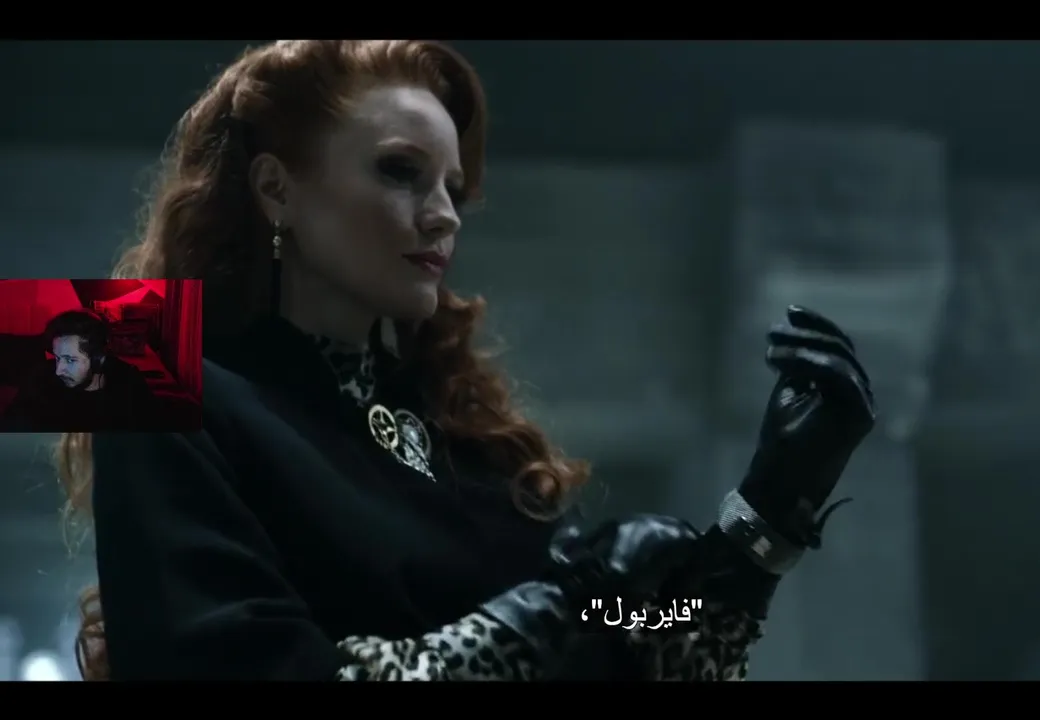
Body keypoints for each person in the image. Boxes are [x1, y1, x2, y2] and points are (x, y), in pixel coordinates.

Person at [54, 40, 877, 681]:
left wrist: (764, 520)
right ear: (276, 189)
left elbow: (637, 642)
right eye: (401, 172)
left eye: (452, 188)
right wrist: (561, 606)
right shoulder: (144, 367)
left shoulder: (462, 436)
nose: (444, 215)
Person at [1, 309, 158, 432]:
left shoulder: (128, 386)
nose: (59, 370)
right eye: (57, 358)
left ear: (98, 359)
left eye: (70, 360)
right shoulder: (41, 378)